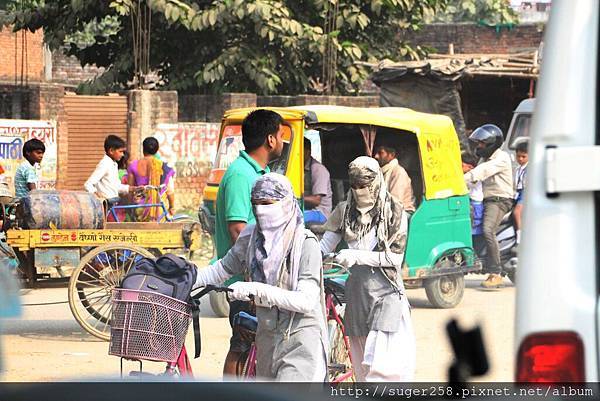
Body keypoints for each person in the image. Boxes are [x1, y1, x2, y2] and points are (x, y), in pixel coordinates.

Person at [194, 173, 328, 381]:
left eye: (267, 203)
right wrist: (186, 278)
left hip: (299, 339)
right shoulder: (251, 237)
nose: (260, 210)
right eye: (255, 204)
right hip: (266, 338)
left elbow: (306, 300)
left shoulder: (304, 243)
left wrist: (257, 289)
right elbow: (222, 269)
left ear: (285, 203)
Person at [320, 156, 414, 381]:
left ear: (377, 181)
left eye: (364, 185)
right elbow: (324, 247)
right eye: (355, 186)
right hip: (357, 295)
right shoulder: (345, 211)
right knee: (362, 370)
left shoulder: (394, 211)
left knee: (382, 369)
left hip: (387, 293)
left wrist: (357, 256)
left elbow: (395, 259)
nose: (360, 191)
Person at [213, 109, 285, 376]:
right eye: (280, 135)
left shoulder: (259, 172)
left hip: (258, 281)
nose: (281, 141)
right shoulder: (241, 175)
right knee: (241, 346)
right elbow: (237, 229)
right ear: (270, 139)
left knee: (257, 348)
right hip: (245, 282)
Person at [464, 124, 514, 289]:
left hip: (499, 200)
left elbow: (481, 172)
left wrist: (461, 178)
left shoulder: (501, 158)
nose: (479, 147)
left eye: (482, 144)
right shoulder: (484, 158)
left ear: (491, 143)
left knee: (487, 229)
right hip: (484, 200)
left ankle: (496, 273)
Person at [128, 137, 176, 220]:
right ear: (157, 150)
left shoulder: (133, 165)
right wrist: (172, 207)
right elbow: (170, 191)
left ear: (143, 149)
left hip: (139, 208)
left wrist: (130, 208)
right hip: (158, 208)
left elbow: (130, 190)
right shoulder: (162, 167)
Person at [84, 135, 138, 204]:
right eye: (120, 151)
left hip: (113, 203)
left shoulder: (113, 164)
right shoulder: (105, 163)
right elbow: (88, 184)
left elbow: (116, 186)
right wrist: (98, 197)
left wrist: (133, 188)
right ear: (111, 151)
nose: (122, 155)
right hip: (107, 205)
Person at [373, 144, 415, 212]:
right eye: (376, 153)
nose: (376, 156)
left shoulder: (398, 172)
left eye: (380, 153)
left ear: (391, 155)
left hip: (402, 211)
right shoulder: (381, 172)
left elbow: (395, 203)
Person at [303, 138, 332, 225]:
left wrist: (297, 199)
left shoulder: (318, 169)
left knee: (294, 218)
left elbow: (316, 200)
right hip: (306, 209)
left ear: (307, 152)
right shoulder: (299, 167)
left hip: (321, 212)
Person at [462, 151, 484, 235]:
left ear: (470, 167)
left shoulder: (474, 176)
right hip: (471, 203)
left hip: (476, 205)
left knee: (474, 229)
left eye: (462, 165)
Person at [513, 141, 528, 244]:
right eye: (518, 156)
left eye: (523, 156)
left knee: (517, 212)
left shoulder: (530, 168)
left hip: (525, 192)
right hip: (517, 192)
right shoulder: (517, 169)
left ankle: (520, 235)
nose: (520, 159)